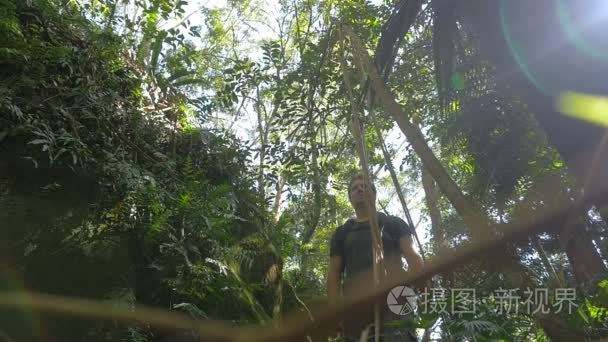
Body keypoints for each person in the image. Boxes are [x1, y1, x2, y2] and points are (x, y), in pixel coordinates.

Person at [328, 173, 423, 341]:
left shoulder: (393, 223)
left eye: (364, 186)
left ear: (374, 194)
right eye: (355, 188)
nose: (360, 189)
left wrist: (424, 285)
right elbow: (334, 275)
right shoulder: (342, 232)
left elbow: (411, 255)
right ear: (350, 197)